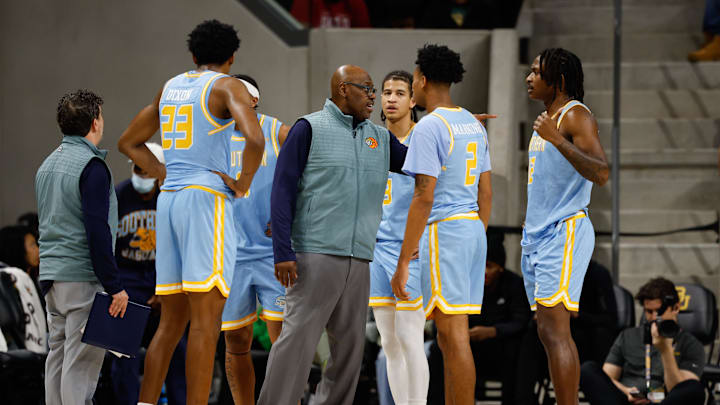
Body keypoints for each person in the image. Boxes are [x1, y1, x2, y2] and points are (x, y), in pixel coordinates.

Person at [117, 20, 265, 405]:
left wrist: (163, 172)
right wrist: (244, 182)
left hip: (169, 200)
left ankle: (146, 402)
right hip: (204, 201)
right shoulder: (226, 85)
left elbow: (128, 142)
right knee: (205, 324)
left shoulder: (170, 87)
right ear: (232, 57)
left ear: (193, 56)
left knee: (170, 323)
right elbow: (255, 136)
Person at [259, 64, 409, 405]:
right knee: (296, 343)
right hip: (314, 255)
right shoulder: (308, 128)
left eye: (375, 91)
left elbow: (419, 160)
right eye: (367, 89)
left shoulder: (381, 137)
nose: (374, 97)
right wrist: (282, 251)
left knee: (350, 351)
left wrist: (448, 131)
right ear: (344, 89)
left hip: (360, 259)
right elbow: (281, 192)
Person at [393, 44, 492, 405]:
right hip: (471, 230)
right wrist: (474, 237)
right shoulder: (472, 123)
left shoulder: (429, 126)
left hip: (445, 231)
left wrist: (404, 259)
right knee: (453, 337)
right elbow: (487, 193)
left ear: (421, 79)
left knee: (452, 338)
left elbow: (423, 196)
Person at [521, 47, 609, 405]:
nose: (528, 78)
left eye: (536, 72)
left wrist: (557, 141)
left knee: (557, 332)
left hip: (565, 229)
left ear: (556, 80)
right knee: (546, 331)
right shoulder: (546, 117)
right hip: (538, 234)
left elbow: (601, 172)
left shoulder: (575, 118)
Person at [35, 89, 129, 405]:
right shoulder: (91, 166)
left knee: (58, 358)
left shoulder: (46, 165)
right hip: (82, 277)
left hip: (51, 275)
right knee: (81, 367)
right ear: (94, 122)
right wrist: (114, 285)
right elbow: (97, 230)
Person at [221, 74, 291, 404]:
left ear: (253, 100)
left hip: (271, 253)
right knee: (235, 339)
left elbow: (312, 170)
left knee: (283, 341)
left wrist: (291, 219)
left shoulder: (275, 130)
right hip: (229, 255)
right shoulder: (212, 136)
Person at [105, 142, 187, 405]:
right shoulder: (118, 196)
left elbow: (181, 247)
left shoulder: (172, 197)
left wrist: (164, 290)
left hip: (164, 283)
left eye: (146, 171)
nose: (141, 176)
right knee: (123, 354)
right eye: (137, 170)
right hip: (128, 287)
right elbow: (108, 250)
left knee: (179, 351)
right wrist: (119, 289)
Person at [368, 69, 430, 405]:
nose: (391, 98)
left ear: (413, 100)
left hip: (411, 250)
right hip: (375, 249)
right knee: (388, 343)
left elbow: (434, 193)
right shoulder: (371, 138)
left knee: (410, 337)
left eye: (400, 93)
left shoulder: (424, 136)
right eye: (386, 92)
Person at [428, 230, 530, 405]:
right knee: (439, 348)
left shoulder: (513, 284)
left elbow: (521, 320)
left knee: (518, 349)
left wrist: (493, 331)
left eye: (489, 265)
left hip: (500, 349)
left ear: (500, 267)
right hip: (469, 345)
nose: (483, 271)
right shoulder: (464, 281)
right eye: (480, 265)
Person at [580, 277, 705, 405]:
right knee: (587, 370)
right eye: (649, 312)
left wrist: (665, 350)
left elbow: (681, 389)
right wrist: (626, 391)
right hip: (626, 400)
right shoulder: (628, 336)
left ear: (676, 308)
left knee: (695, 389)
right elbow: (608, 378)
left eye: (659, 311)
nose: (654, 317)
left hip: (664, 401)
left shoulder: (691, 344)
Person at [514, 260, 618, 405]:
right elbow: (523, 316)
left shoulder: (597, 273)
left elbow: (610, 319)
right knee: (528, 338)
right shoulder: (546, 270)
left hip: (585, 334)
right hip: (549, 336)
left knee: (571, 338)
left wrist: (576, 314)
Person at [0, 225, 47, 353]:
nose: (38, 250)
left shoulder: (36, 281)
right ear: (16, 248)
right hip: (18, 347)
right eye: (32, 245)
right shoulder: (11, 281)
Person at [291, 0, 371, 28]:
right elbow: (299, 42)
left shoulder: (356, 3)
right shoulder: (304, 2)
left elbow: (364, 40)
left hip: (348, 59)